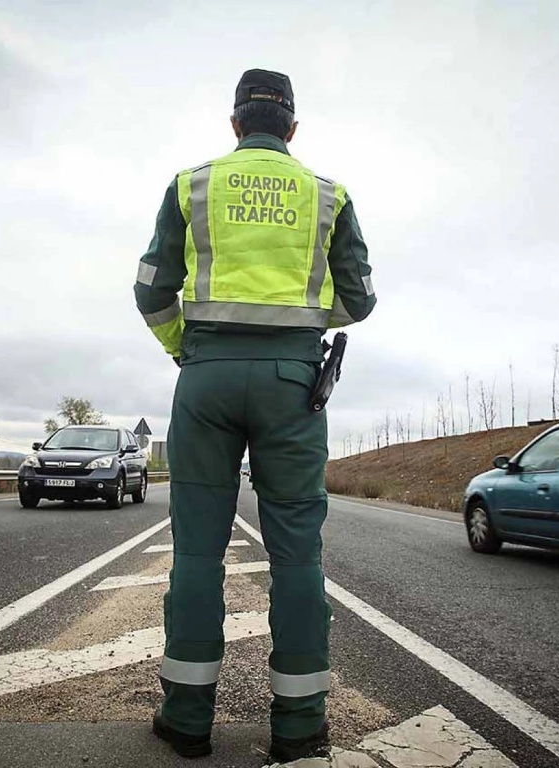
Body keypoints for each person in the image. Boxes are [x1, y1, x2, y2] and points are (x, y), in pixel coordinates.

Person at [134, 68, 376, 763]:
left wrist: (191, 347)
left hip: (205, 379)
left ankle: (186, 720)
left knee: (197, 555)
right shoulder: (329, 195)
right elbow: (357, 302)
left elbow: (152, 289)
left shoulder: (192, 185)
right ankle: (298, 727)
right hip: (293, 386)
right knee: (298, 553)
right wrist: (298, 331)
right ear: (292, 129)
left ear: (235, 124)